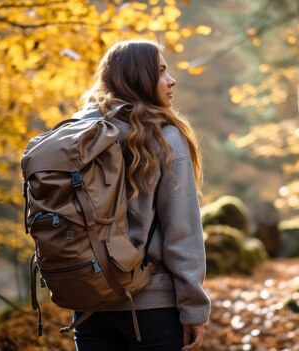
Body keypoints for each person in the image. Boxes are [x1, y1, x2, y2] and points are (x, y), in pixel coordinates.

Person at [72, 39, 210, 351]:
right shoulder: (164, 137)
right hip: (151, 307)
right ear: (140, 78)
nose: (171, 80)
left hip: (88, 304)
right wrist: (193, 309)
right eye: (161, 72)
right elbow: (182, 232)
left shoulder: (79, 134)